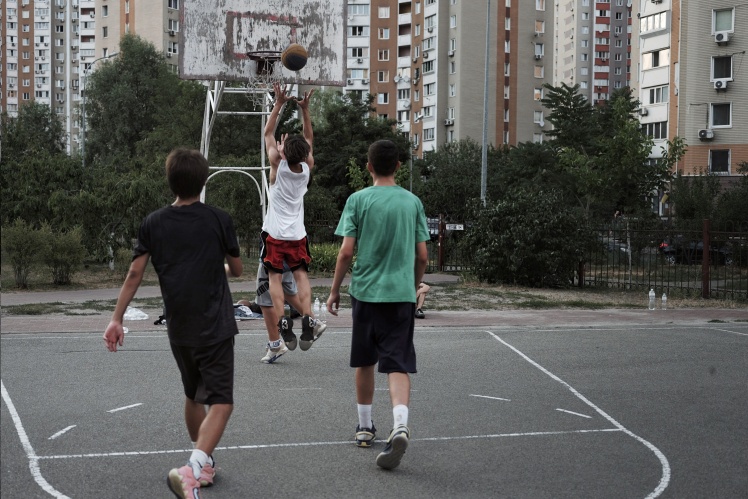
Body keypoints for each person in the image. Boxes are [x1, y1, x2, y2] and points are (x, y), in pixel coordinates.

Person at [102, 148, 243, 499]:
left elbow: (136, 272)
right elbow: (238, 269)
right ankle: (191, 470)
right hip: (214, 323)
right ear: (205, 180)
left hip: (179, 325)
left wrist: (116, 317)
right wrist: (222, 266)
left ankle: (204, 462)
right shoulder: (218, 219)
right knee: (222, 401)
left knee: (193, 394)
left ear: (170, 182)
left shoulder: (153, 222)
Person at [326, 139, 429, 470]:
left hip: (367, 293)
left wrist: (334, 290)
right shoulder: (412, 202)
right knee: (397, 363)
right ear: (399, 166)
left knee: (365, 361)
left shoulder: (358, 200)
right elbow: (423, 255)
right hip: (400, 295)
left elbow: (345, 252)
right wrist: (413, 287)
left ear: (369, 167)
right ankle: (399, 422)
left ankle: (365, 427)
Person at [261, 82, 324, 352]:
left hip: (275, 234)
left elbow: (267, 133)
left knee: (274, 279)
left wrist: (279, 103)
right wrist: (305, 111)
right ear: (305, 156)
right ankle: (308, 317)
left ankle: (284, 321)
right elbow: (309, 140)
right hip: (298, 235)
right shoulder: (307, 169)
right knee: (300, 276)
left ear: (283, 152)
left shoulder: (278, 166)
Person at [251, 261, 322, 364]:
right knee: (289, 288)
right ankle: (312, 322)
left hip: (273, 251)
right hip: (293, 250)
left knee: (265, 297)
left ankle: (275, 343)